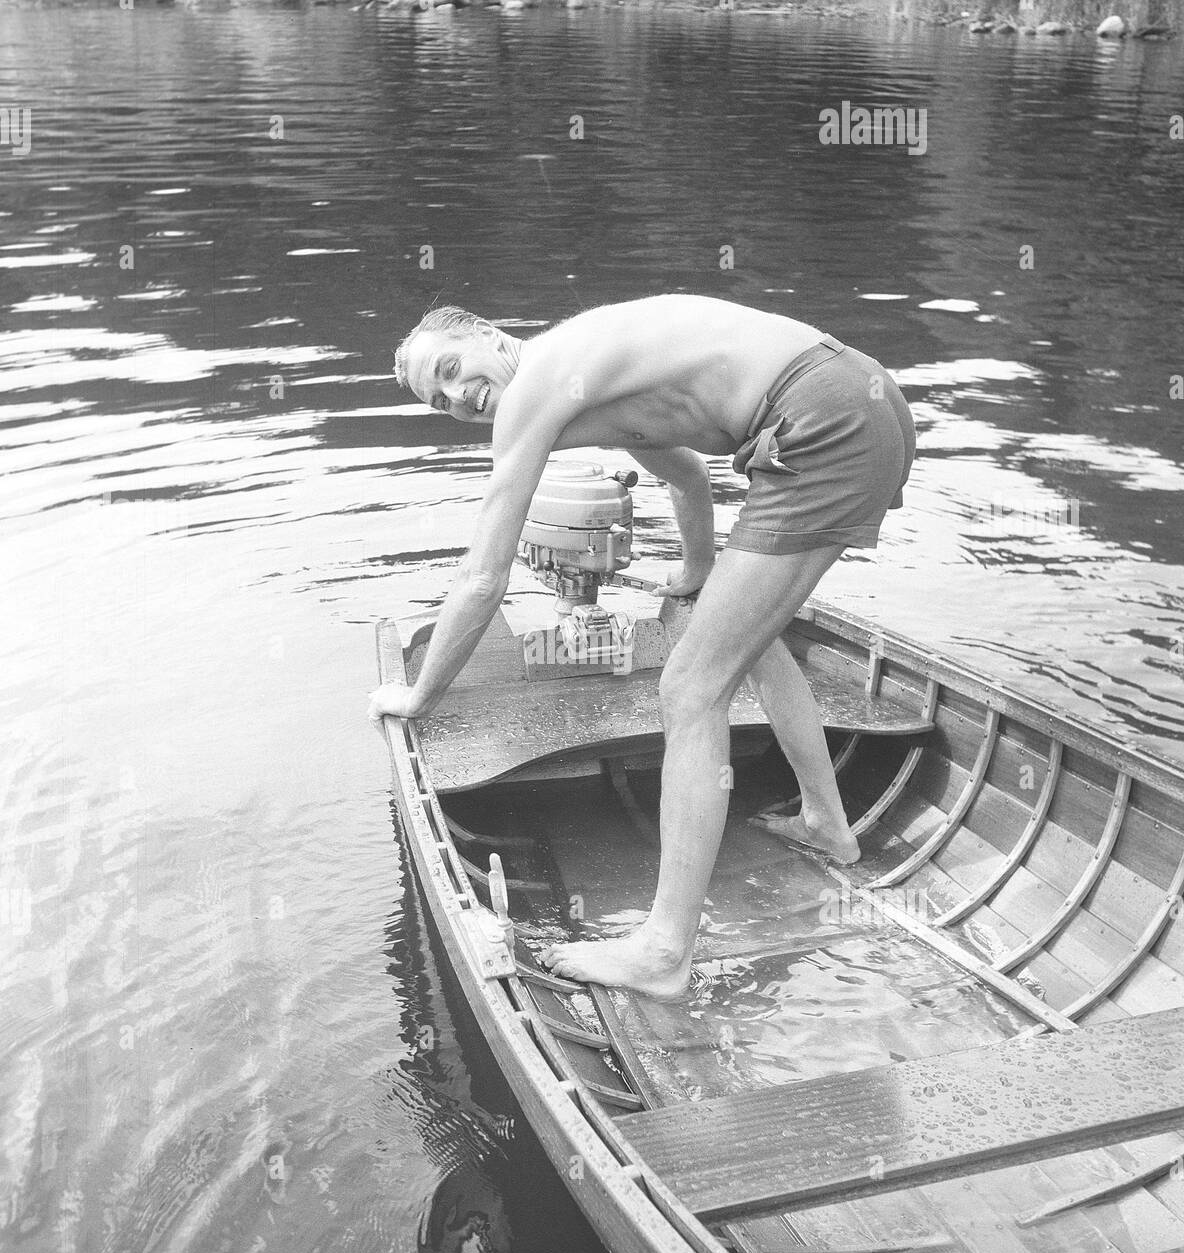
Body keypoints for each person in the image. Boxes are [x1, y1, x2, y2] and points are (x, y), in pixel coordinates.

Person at [369, 294, 915, 998]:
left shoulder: (535, 386)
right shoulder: (591, 382)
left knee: (690, 689)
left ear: (487, 334)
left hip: (819, 417)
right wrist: (693, 575)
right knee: (745, 640)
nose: (455, 396)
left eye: (449, 368)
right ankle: (826, 822)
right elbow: (687, 478)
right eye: (438, 401)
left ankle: (662, 953)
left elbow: (483, 578)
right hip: (860, 397)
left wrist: (419, 695)